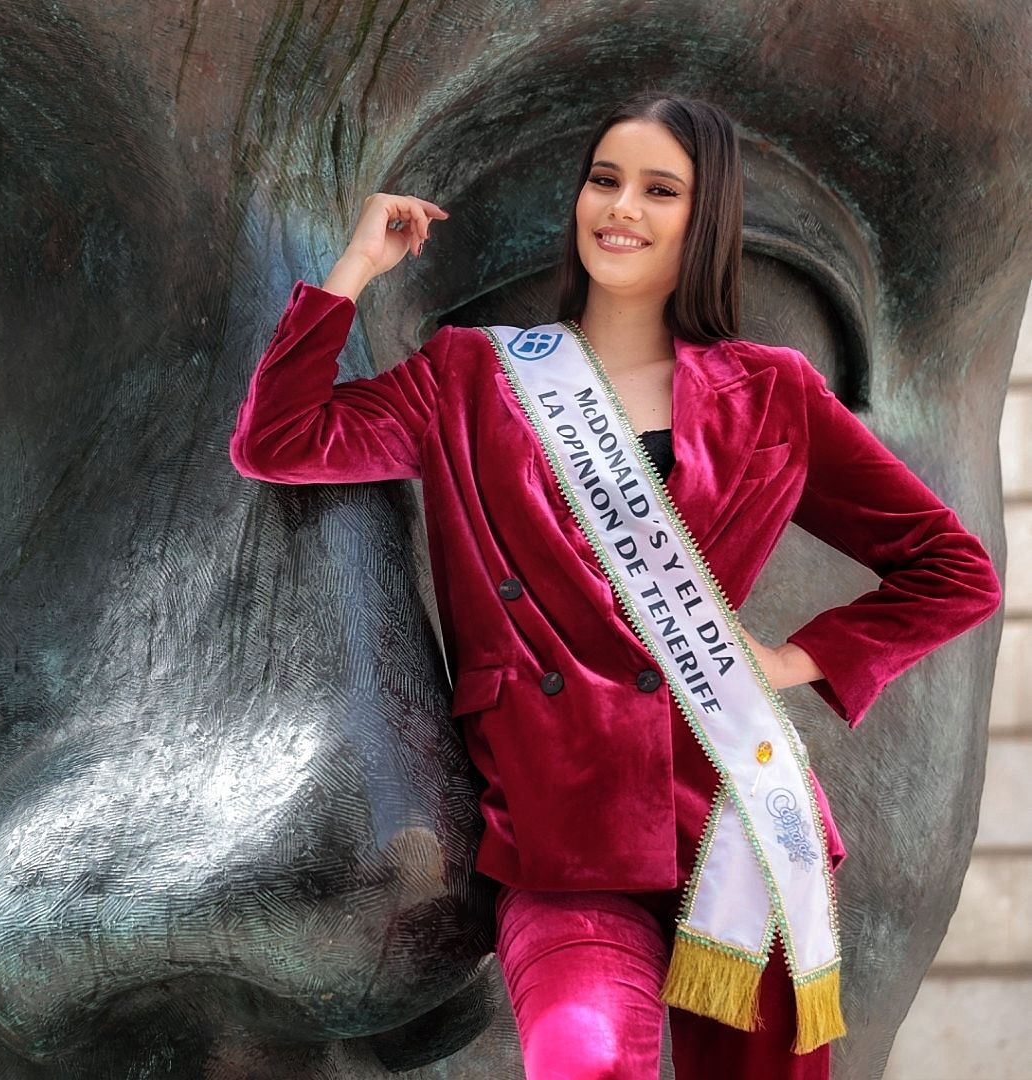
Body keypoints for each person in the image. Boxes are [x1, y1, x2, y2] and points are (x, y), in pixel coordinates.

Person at [228, 91, 1002, 1080]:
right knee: (585, 1060)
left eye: (658, 189)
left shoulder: (773, 394)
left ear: (704, 218)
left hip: (735, 825)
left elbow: (953, 569)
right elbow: (283, 440)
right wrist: (356, 267)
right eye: (605, 179)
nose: (620, 207)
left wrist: (789, 658)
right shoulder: (473, 376)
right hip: (558, 833)